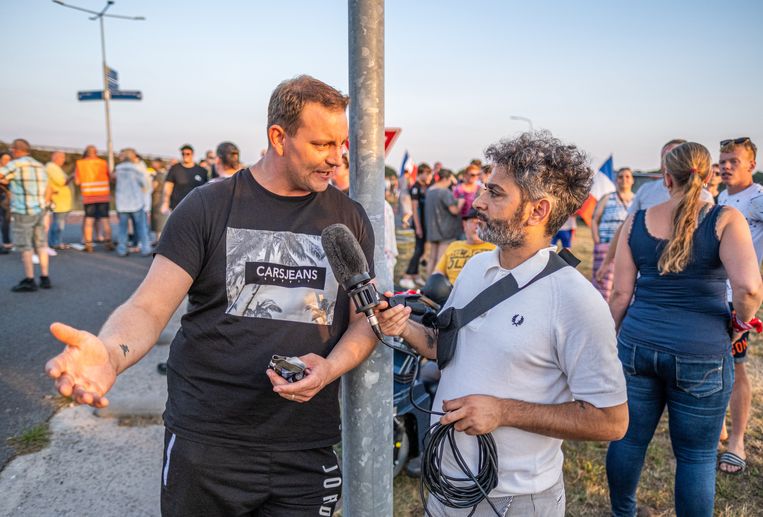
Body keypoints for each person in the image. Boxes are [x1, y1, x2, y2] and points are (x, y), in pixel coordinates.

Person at [45, 75, 378, 516]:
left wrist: (332, 366)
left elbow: (363, 320)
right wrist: (110, 354)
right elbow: (148, 306)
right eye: (322, 145)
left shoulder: (348, 217)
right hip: (208, 444)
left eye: (341, 145)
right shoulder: (208, 206)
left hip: (305, 448)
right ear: (278, 137)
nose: (337, 159)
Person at [376, 131, 628, 516]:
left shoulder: (576, 300)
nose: (478, 202)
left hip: (516, 498)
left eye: (495, 194)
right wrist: (401, 326)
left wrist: (504, 411)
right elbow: (443, 347)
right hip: (446, 482)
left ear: (538, 210)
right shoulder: (478, 266)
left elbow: (611, 421)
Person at [605, 142, 762, 517]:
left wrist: (609, 340)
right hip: (703, 351)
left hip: (638, 345)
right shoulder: (725, 219)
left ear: (665, 177)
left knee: (628, 439)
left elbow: (621, 293)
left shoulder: (636, 219)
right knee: (695, 456)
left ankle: (622, 513)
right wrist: (740, 325)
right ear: (708, 176)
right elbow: (750, 288)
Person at [595, 139, 714, 283]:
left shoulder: (705, 198)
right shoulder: (646, 190)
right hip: (646, 275)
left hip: (688, 277)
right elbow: (625, 227)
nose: (668, 159)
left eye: (675, 155)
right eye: (666, 155)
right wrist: (608, 261)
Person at [716, 137, 762, 475]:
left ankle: (737, 440)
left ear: (751, 165)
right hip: (713, 293)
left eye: (734, 160)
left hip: (739, 298)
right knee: (714, 362)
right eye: (723, 160)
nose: (726, 166)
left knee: (736, 367)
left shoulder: (759, 200)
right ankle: (717, 424)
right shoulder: (720, 197)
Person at [0, 139, 52, 291]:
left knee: (26, 246)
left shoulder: (16, 164)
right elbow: (48, 187)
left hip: (23, 210)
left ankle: (29, 279)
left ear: (15, 150)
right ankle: (45, 277)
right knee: (41, 243)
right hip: (40, 210)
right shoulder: (39, 165)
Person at [591, 167, 634, 300]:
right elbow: (595, 219)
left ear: (632, 180)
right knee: (602, 283)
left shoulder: (637, 199)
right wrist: (597, 240)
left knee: (624, 285)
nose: (624, 179)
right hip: (606, 246)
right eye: (620, 177)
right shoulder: (607, 197)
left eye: (627, 176)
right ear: (616, 180)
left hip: (629, 249)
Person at [432, 208, 495, 285]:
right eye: (473, 222)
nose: (477, 227)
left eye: (480, 222)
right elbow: (438, 273)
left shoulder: (495, 248)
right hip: (451, 292)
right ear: (464, 225)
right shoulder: (453, 246)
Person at [424, 168, 464, 277]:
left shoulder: (430, 190)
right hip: (445, 230)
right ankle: (434, 285)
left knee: (432, 258)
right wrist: (460, 203)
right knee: (440, 259)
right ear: (446, 178)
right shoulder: (444, 192)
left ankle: (428, 282)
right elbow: (454, 211)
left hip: (433, 229)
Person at [400, 163, 433, 289]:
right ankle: (407, 275)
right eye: (428, 174)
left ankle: (416, 274)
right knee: (419, 250)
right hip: (419, 223)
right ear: (421, 173)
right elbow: (415, 209)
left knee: (422, 250)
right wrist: (418, 227)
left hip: (425, 222)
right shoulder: (415, 187)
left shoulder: (426, 186)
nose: (429, 176)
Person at [113, 148, 152, 257]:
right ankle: (145, 248)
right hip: (135, 202)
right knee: (141, 227)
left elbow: (114, 181)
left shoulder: (118, 169)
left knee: (122, 228)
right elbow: (145, 184)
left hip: (122, 203)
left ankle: (122, 249)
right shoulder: (136, 169)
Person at [75, 145, 113, 252]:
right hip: (103, 195)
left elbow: (77, 181)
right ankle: (108, 241)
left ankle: (88, 244)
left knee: (89, 219)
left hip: (89, 195)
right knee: (105, 219)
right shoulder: (103, 163)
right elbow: (110, 177)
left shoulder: (80, 164)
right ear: (96, 152)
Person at [160, 144, 208, 214]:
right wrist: (165, 203)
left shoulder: (201, 171)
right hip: (177, 206)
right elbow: (168, 186)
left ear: (192, 154)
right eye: (183, 154)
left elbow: (205, 189)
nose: (185, 156)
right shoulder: (175, 169)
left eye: (188, 154)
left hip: (196, 207)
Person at [45, 151, 73, 251]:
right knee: (58, 223)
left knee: (59, 222)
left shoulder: (55, 168)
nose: (63, 160)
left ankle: (56, 241)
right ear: (54, 157)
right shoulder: (51, 167)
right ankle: (55, 243)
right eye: (61, 157)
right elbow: (62, 182)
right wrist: (73, 175)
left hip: (62, 201)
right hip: (59, 201)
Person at [0, 151, 12, 253]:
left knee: (6, 221)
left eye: (9, 160)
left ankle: (6, 242)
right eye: (5, 159)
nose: (7, 161)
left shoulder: (10, 170)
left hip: (6, 199)